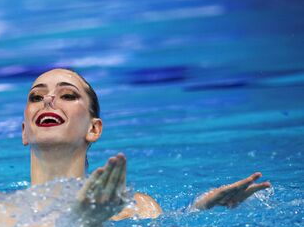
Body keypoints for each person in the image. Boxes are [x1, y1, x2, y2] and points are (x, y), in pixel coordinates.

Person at [21, 68, 270, 216]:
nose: (49, 99)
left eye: (67, 95)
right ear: (24, 131)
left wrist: (200, 211)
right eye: (36, 96)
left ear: (94, 129)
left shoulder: (136, 208)